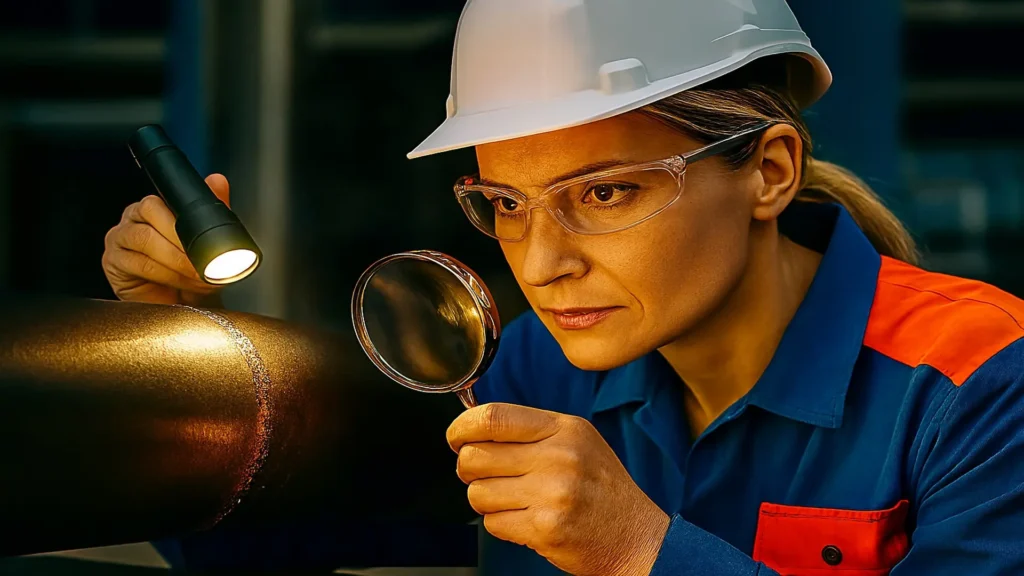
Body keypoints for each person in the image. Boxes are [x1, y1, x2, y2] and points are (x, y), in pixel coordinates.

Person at [103, 1, 1024, 574]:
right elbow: (274, 548)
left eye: (605, 192)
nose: (541, 263)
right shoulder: (539, 372)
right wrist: (172, 370)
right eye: (505, 202)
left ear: (770, 171)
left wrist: (643, 554)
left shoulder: (982, 385)